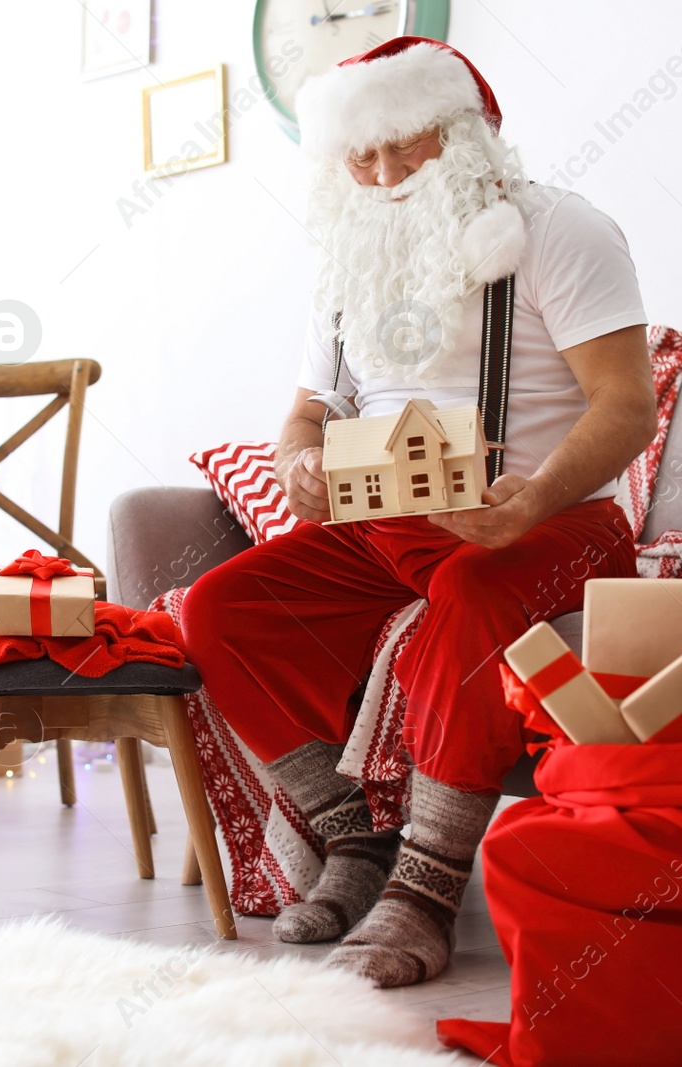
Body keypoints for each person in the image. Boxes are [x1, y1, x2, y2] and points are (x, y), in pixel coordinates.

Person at [180, 37, 657, 988]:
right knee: (218, 610)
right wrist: (297, 459)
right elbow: (309, 410)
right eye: (365, 155)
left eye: (412, 145)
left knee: (473, 595)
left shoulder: (562, 230)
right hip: (386, 525)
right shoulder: (348, 257)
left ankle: (427, 890)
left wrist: (530, 501)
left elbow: (628, 407)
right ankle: (355, 843)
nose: (388, 174)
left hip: (555, 525)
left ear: (466, 134)